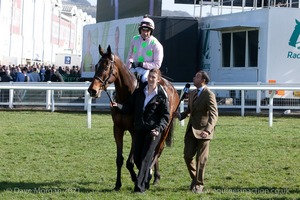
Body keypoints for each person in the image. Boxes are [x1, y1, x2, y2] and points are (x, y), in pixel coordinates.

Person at [111, 68, 170, 193]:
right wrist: (118, 106)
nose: (150, 79)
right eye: (150, 76)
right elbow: (129, 107)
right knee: (137, 158)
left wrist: (158, 129)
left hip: (152, 131)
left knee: (144, 159)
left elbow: (165, 116)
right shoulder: (139, 92)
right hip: (139, 129)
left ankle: (139, 188)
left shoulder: (161, 95)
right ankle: (146, 176)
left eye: (154, 77)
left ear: (158, 80)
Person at [174, 70, 218, 194]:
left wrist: (208, 130)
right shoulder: (193, 93)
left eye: (197, 77)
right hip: (191, 130)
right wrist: (180, 115)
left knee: (201, 159)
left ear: (203, 80)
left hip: (204, 132)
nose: (194, 78)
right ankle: (195, 179)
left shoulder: (209, 94)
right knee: (187, 156)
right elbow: (189, 110)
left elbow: (214, 115)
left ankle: (199, 185)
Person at [126, 15, 163, 83]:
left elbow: (157, 64)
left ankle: (146, 93)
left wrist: (141, 64)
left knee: (144, 79)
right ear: (140, 30)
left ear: (151, 31)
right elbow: (129, 55)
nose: (145, 33)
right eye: (143, 30)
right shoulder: (134, 39)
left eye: (147, 31)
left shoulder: (156, 44)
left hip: (147, 71)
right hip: (133, 69)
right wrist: (129, 64)